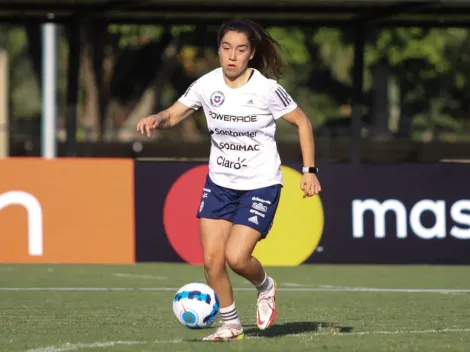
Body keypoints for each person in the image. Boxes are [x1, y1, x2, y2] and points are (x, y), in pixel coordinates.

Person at [137, 18, 321, 341]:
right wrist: (157, 118)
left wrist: (309, 171)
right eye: (226, 48)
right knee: (211, 261)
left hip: (260, 183)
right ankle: (231, 325)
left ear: (251, 53)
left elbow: (303, 123)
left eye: (240, 50)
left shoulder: (265, 89)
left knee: (236, 258)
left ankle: (265, 286)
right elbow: (174, 114)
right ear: (219, 50)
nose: (232, 56)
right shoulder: (207, 85)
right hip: (220, 184)